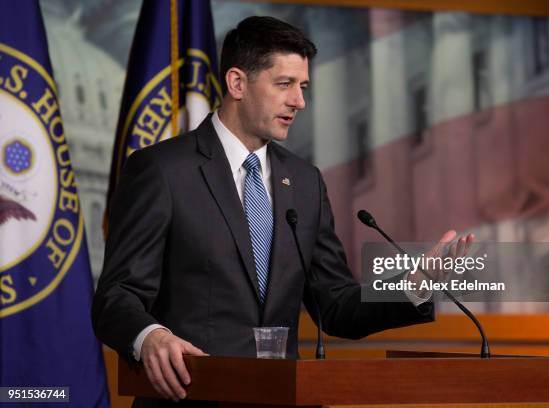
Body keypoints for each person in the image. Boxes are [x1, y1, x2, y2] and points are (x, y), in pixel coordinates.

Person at [92, 16, 472, 406]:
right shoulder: (162, 170)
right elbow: (116, 297)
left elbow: (336, 304)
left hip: (283, 397)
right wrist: (151, 336)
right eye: (284, 84)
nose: (299, 101)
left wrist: (412, 285)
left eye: (303, 86)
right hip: (194, 396)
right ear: (237, 83)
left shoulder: (305, 182)